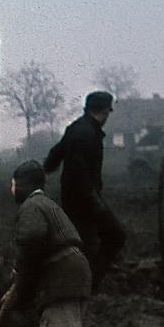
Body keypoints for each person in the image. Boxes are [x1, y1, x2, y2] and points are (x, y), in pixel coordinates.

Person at [3, 160, 93, 327]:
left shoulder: (31, 206)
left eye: (12, 184)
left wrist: (20, 281)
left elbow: (32, 240)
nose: (11, 190)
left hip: (62, 274)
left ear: (22, 185)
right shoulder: (46, 203)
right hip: (75, 269)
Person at [43, 90, 126, 292]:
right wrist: (97, 205)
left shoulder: (76, 129)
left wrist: (45, 169)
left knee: (83, 243)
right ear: (105, 111)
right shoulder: (88, 135)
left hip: (75, 198)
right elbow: (80, 175)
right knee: (114, 236)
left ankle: (81, 285)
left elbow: (54, 157)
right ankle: (87, 287)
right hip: (84, 200)